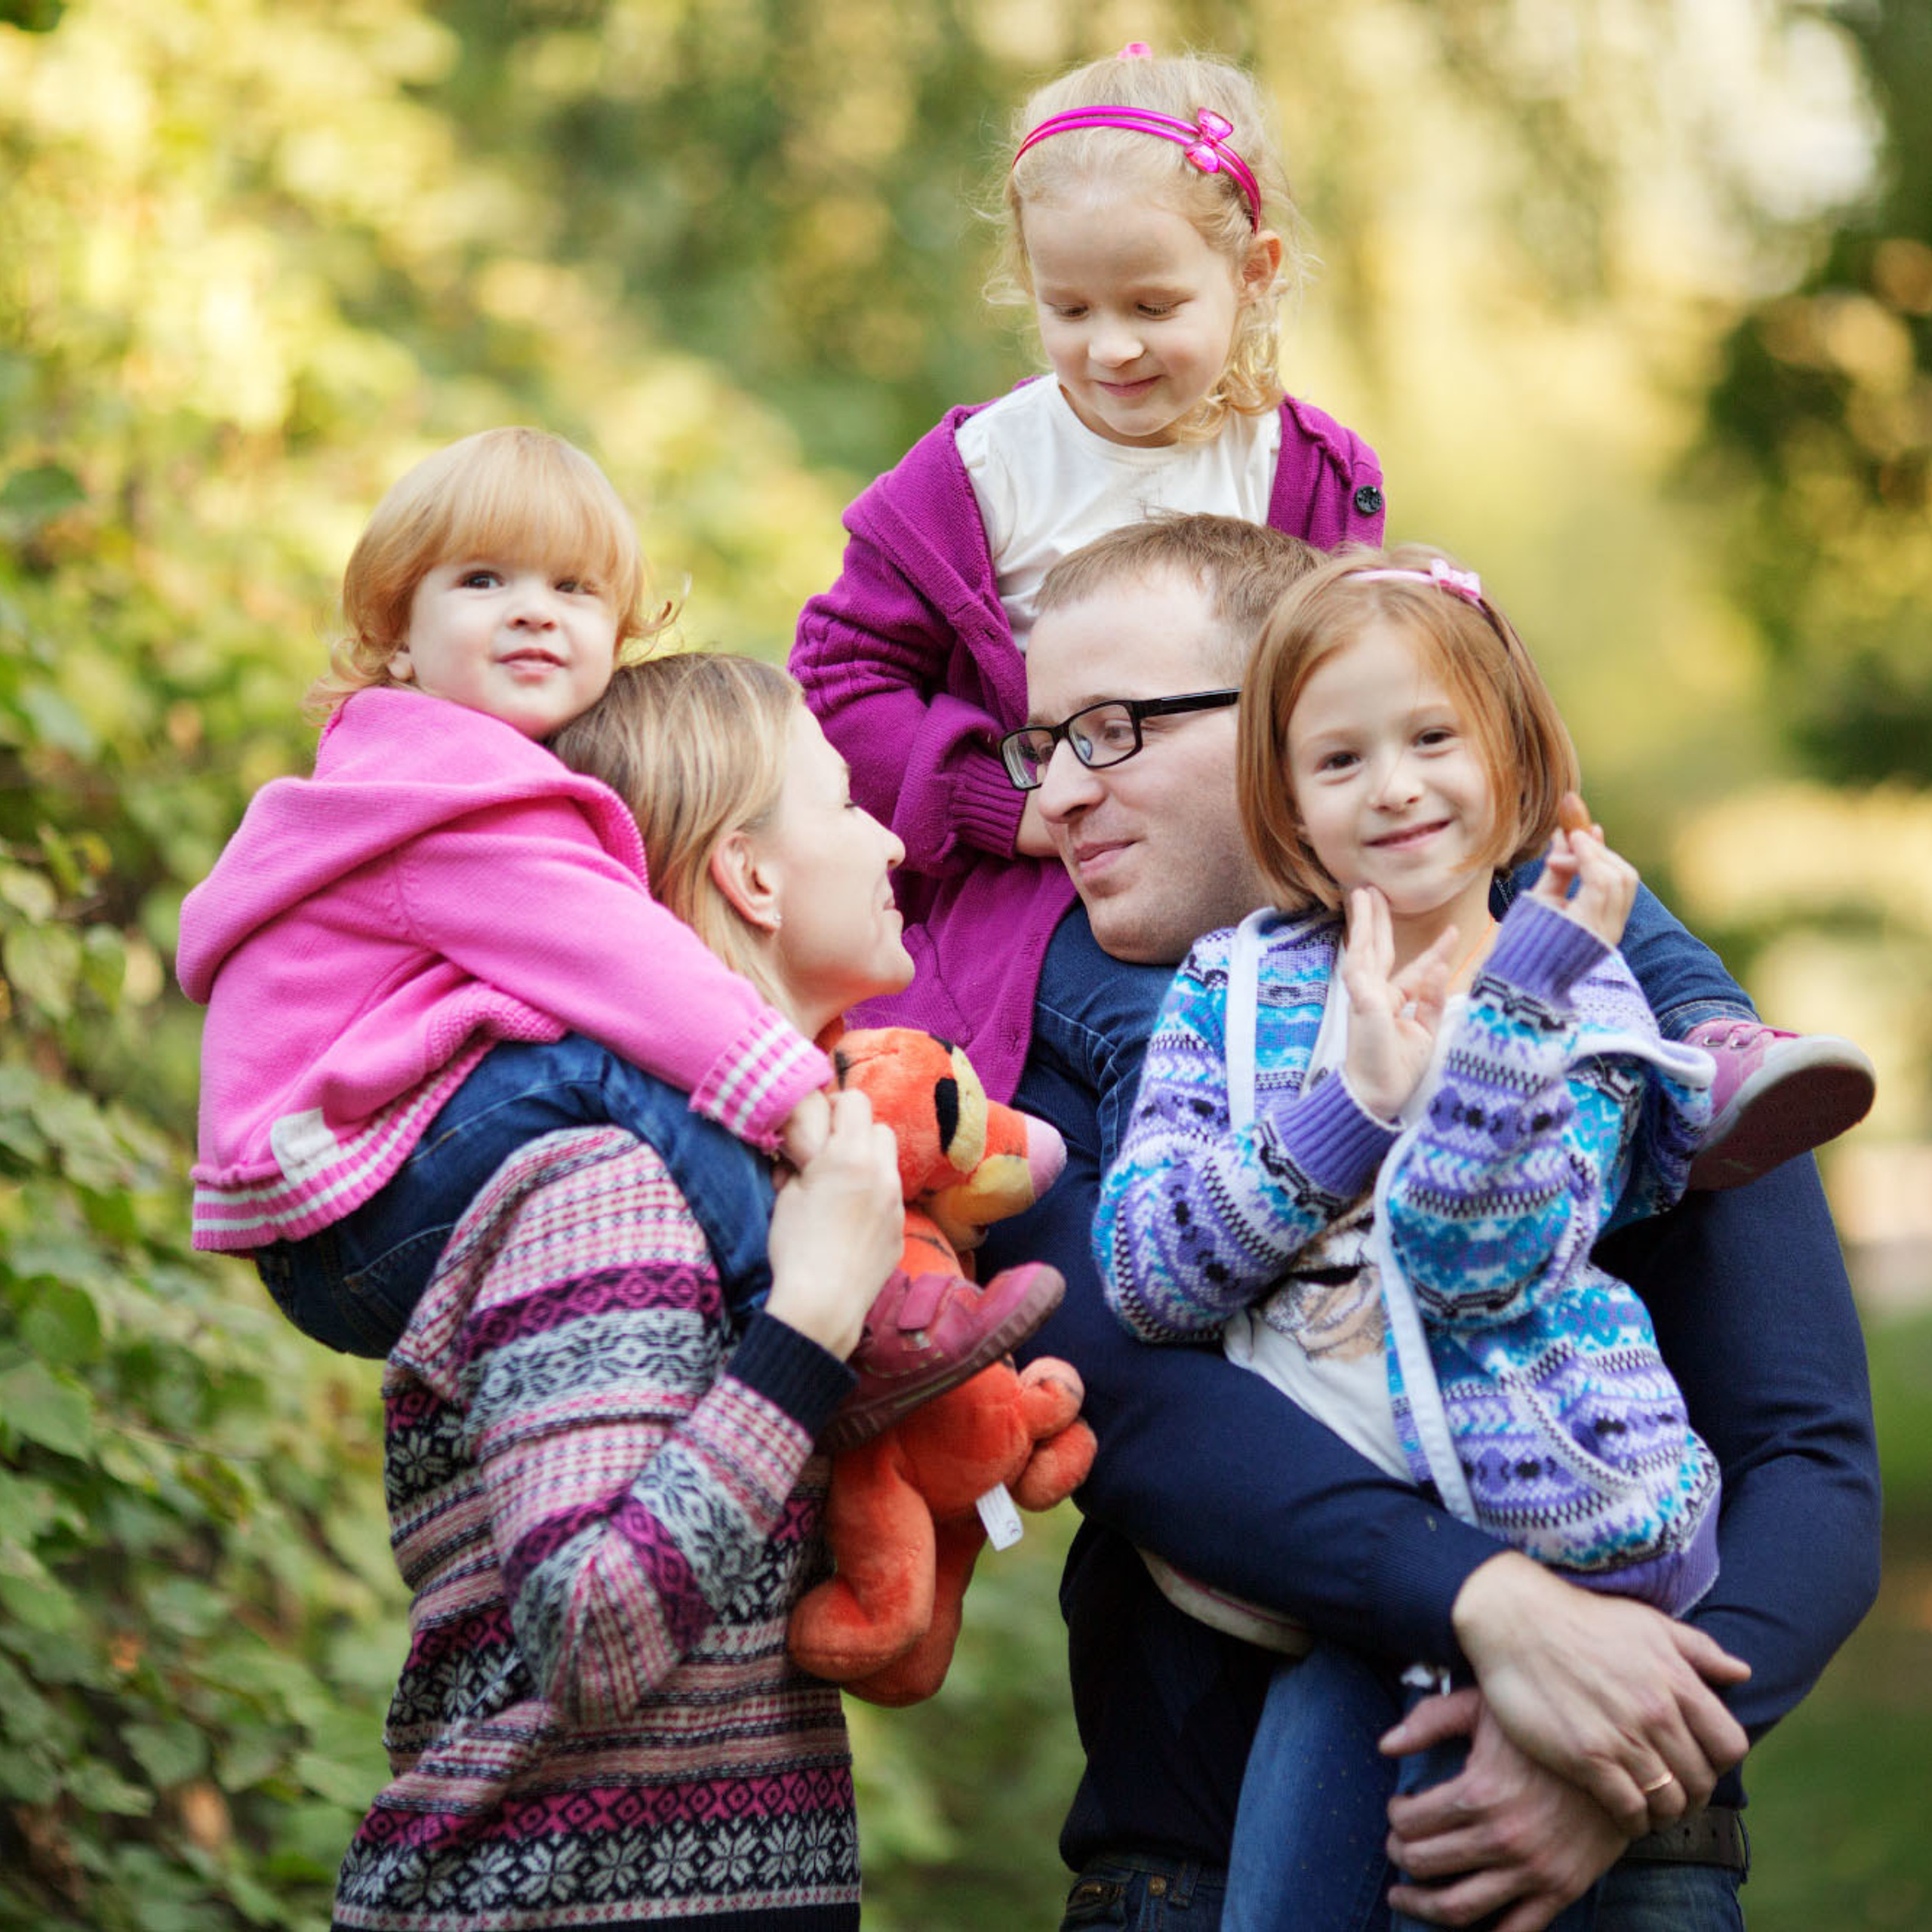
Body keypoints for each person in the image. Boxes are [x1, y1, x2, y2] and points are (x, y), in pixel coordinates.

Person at [961, 515, 1880, 1930]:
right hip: (1188, 1863)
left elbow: (1808, 1455)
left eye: (1113, 729)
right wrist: (1490, 1607)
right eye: (1045, 745)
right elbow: (1135, 1397)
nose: (1056, 799)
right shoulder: (1050, 1033)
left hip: (1618, 1841)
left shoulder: (1602, 968)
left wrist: (1622, 1758)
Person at [792, 44, 1872, 1182]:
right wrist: (992, 799)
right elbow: (837, 676)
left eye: (1153, 305)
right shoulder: (982, 471)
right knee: (1183, 1018)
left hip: (1285, 832)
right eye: (1069, 308)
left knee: (1533, 835)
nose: (1110, 346)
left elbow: (1370, 661)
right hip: (1070, 862)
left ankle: (1706, 1034)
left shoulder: (1305, 466)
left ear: (1253, 272)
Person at [1097, 546, 1736, 1931]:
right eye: (1339, 760)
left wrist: (1509, 1013)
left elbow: (1472, 1266)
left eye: (1432, 738)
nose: (1393, 787)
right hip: (1344, 1571)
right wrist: (1347, 1111)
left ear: (1510, 753)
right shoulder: (1239, 986)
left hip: (1559, 1521)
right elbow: (1145, 1274)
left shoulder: (1595, 1002)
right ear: (1288, 801)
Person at [177, 426, 1049, 1440]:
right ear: (399, 640)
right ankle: (819, 1322)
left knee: (617, 1069)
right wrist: (796, 1102)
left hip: (359, 1192)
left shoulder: (464, 782)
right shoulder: (439, 795)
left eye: (575, 589)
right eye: (483, 580)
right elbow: (629, 965)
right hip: (345, 1208)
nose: (534, 610)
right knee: (612, 1066)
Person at [331, 651, 920, 1930]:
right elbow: (593, 1637)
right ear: (751, 874)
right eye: (844, 800)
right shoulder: (605, 1186)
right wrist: (812, 1323)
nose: (894, 838)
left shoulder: (754, 1189)